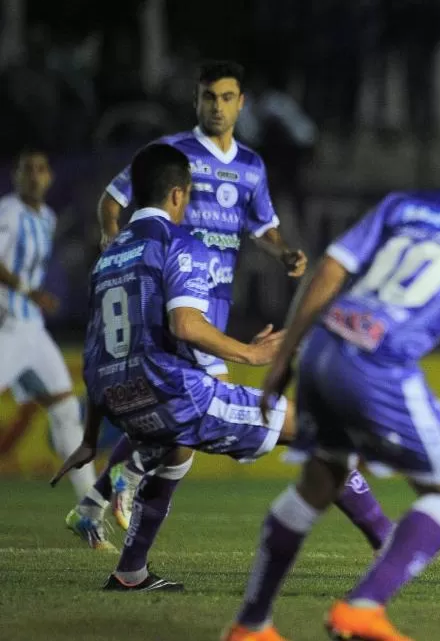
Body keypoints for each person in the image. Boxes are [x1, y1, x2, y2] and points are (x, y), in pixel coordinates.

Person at [223, 117, 440, 641]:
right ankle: (362, 608)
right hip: (379, 362)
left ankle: (251, 624)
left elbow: (330, 270)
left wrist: (285, 357)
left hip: (326, 343)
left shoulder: (405, 205)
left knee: (320, 480)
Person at [67, 60, 391, 554]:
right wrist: (120, 252)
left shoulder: (251, 167)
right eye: (207, 97)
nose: (216, 107)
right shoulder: (171, 155)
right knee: (190, 422)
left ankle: (101, 506)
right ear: (196, 102)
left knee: (177, 436)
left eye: (225, 97)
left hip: (209, 311)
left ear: (241, 103)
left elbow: (262, 227)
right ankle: (116, 491)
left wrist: (283, 251)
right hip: (177, 313)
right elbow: (112, 203)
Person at [52, 143, 292, 591]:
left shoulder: (107, 257)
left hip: (118, 401)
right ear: (179, 196)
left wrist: (90, 440)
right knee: (307, 424)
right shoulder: (181, 244)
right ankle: (383, 549)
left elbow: (93, 355)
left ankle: (129, 567)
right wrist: (250, 353)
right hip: (170, 395)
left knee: (178, 450)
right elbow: (186, 324)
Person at [0, 149, 96, 502]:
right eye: (27, 170)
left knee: (66, 410)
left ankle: (89, 510)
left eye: (41, 169)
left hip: (33, 330)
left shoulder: (48, 218)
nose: (34, 176)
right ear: (17, 177)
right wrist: (29, 291)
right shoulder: (9, 212)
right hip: (8, 327)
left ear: (49, 177)